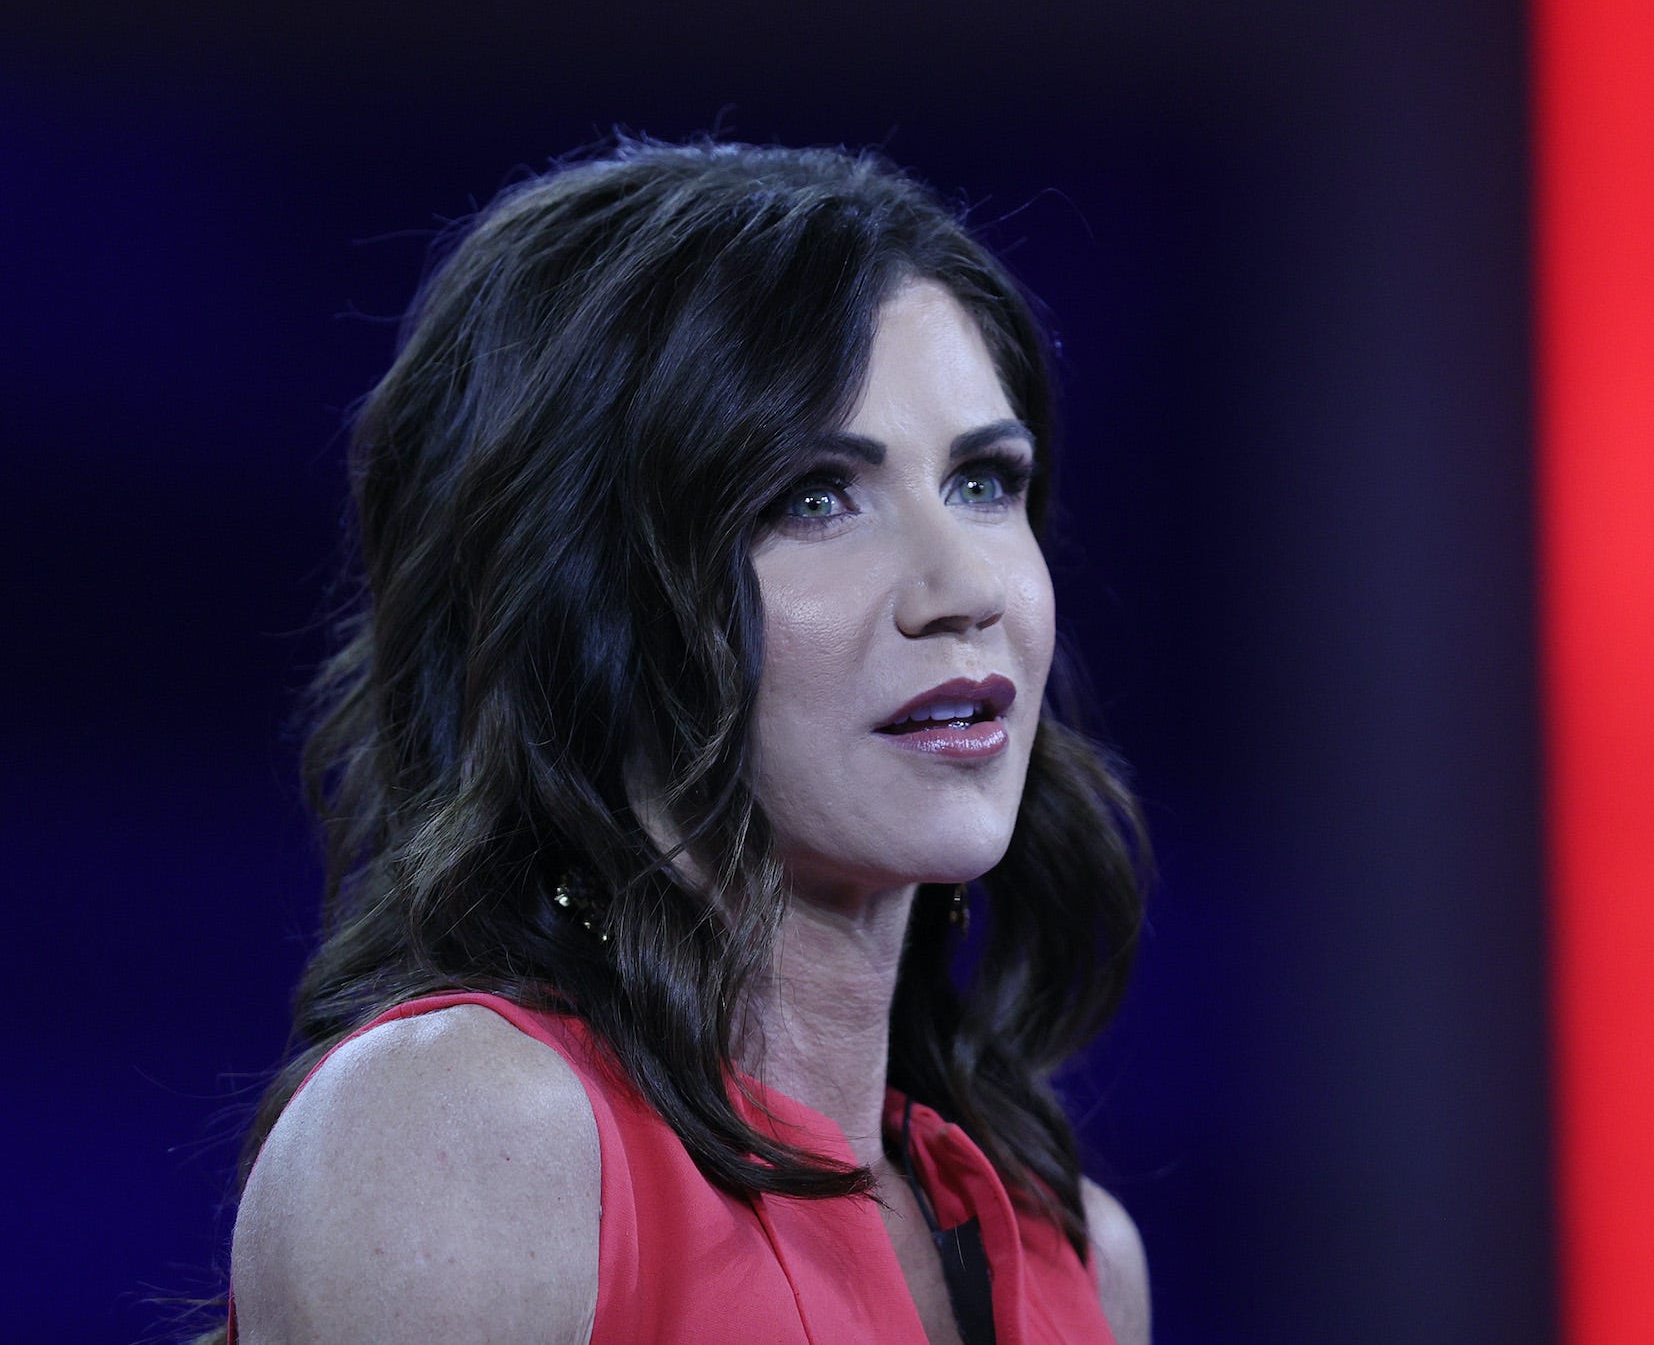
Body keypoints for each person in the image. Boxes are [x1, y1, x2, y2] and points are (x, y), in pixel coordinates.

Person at [211, 139, 1154, 1345]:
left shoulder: (1075, 1254)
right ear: (589, 596)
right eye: (812, 496)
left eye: (983, 480)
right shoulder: (464, 1142)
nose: (960, 586)